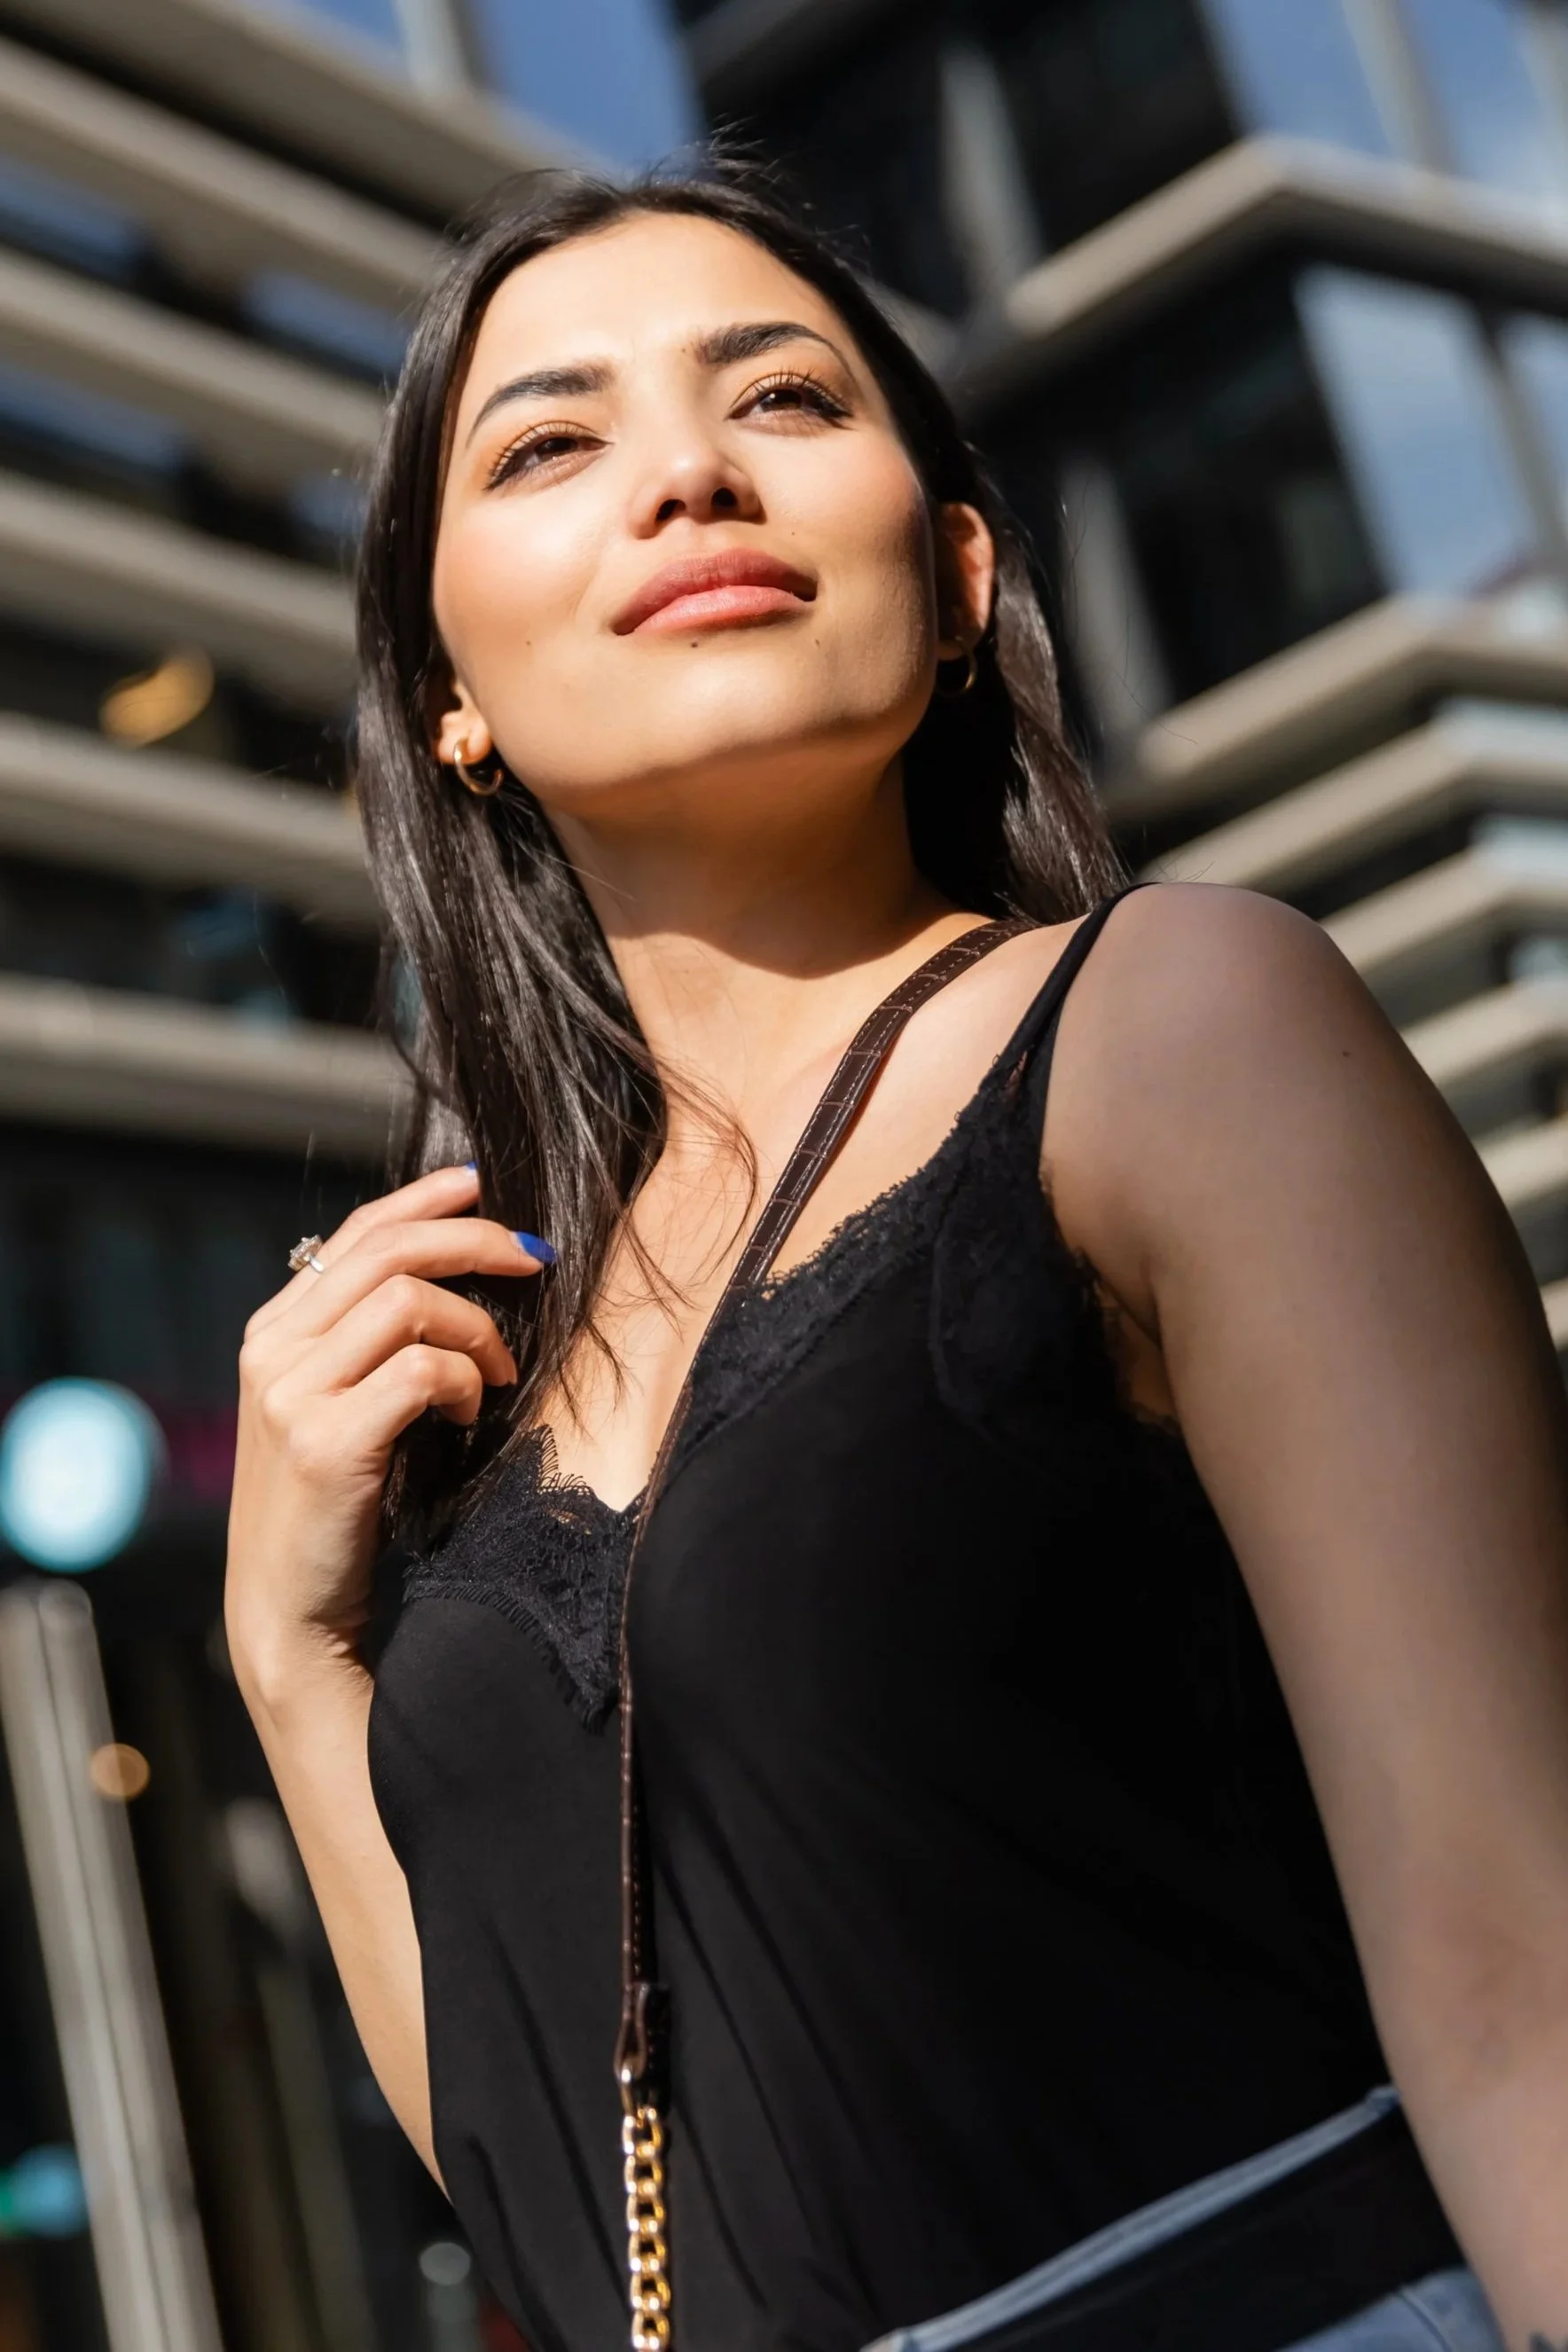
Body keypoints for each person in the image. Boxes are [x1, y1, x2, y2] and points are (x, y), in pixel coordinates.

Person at [224, 168, 1568, 2352]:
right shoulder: (489, 1350)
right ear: (447, 690)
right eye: (550, 443)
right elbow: (558, 2180)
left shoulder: (1174, 1027)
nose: (687, 475)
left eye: (780, 397)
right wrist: (294, 1666)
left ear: (952, 580)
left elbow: (1521, 1975)